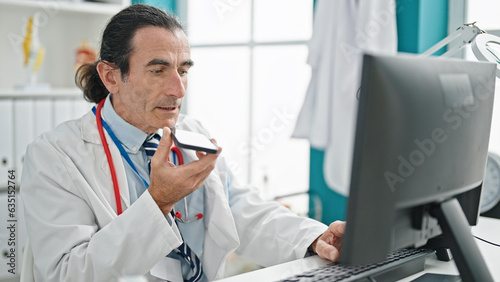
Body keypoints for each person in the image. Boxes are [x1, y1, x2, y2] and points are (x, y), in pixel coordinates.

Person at [20, 4, 345, 282]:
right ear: (111, 77)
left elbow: (238, 209)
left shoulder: (192, 133)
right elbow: (66, 272)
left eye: (183, 70)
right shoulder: (54, 156)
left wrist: (314, 237)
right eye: (158, 70)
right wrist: (158, 202)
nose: (178, 89)